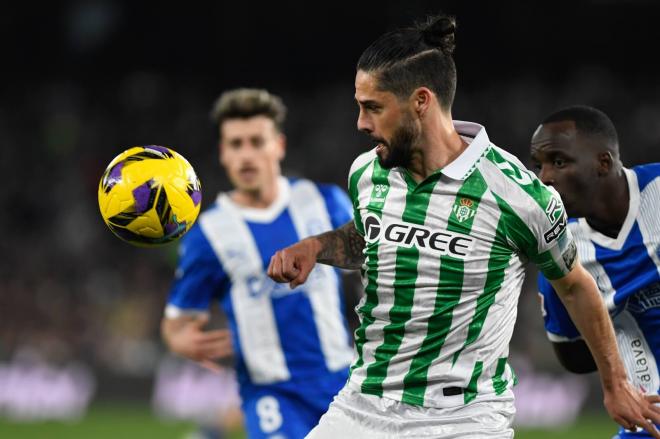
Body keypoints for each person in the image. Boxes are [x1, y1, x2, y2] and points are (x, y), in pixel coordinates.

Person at [267, 14, 660, 439]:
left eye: (373, 107)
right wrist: (314, 248)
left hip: (462, 419)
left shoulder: (516, 194)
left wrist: (615, 383)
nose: (361, 123)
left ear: (421, 101)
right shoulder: (368, 172)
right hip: (363, 405)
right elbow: (369, 238)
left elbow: (574, 285)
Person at [161, 88, 355, 439]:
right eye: (236, 144)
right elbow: (177, 321)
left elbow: (372, 269)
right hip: (272, 395)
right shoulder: (209, 235)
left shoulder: (325, 203)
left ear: (278, 145)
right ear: (223, 153)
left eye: (256, 141)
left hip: (344, 383)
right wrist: (180, 340)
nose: (246, 155)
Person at [531, 105, 660, 438]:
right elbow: (571, 354)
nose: (544, 177)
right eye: (539, 165)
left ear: (604, 163)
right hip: (648, 421)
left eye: (558, 162)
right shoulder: (560, 250)